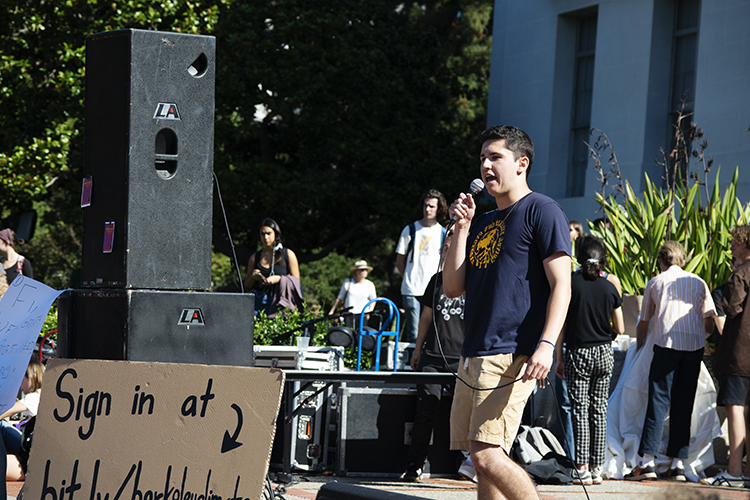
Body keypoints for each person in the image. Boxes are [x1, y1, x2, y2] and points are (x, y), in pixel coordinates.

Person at [444, 125, 571, 500]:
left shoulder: (541, 210)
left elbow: (562, 284)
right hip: (474, 352)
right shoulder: (481, 222)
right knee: (480, 460)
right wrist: (461, 229)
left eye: (495, 157)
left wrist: (547, 345)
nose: (485, 165)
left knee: (486, 456)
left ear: (521, 164)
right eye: (482, 158)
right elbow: (452, 287)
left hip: (511, 352)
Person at [624, 241, 716, 482]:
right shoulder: (699, 282)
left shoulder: (656, 282)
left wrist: (640, 345)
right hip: (694, 349)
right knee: (683, 404)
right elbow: (710, 321)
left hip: (665, 347)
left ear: (661, 261)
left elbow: (644, 320)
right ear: (683, 260)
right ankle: (678, 462)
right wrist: (698, 336)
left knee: (658, 402)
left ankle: (648, 461)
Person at [555, 236, 624, 485]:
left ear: (579, 257)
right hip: (604, 352)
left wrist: (558, 357)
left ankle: (582, 467)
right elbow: (621, 326)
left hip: (578, 352)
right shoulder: (610, 287)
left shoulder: (571, 283)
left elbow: (560, 321)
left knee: (579, 410)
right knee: (599, 410)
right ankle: (597, 467)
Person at [403, 230, 471, 482]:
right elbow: (426, 317)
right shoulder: (436, 280)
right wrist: (418, 349)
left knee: (463, 411)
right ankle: (414, 464)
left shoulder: (473, 280)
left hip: (462, 359)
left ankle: (464, 463)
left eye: (453, 250)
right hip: (433, 356)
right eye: (446, 250)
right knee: (426, 408)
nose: (447, 254)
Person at [701, 225, 750, 487]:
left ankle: (732, 472)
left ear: (745, 243)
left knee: (736, 410)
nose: (731, 246)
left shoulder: (740, 273)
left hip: (740, 353)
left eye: (735, 242)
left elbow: (731, 307)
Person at [395, 189, 448, 343]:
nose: (427, 209)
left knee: (431, 332)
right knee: (413, 332)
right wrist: (408, 279)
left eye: (431, 206)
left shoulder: (443, 233)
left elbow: (444, 263)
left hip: (432, 290)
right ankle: (411, 365)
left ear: (439, 208)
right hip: (411, 289)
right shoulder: (410, 230)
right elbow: (399, 261)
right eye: (425, 205)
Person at [244, 218, 302, 317]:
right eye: (262, 234)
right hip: (257, 302)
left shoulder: (288, 254)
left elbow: (296, 283)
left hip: (279, 302)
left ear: (276, 233)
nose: (266, 237)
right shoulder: (255, 257)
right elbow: (246, 286)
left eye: (268, 233)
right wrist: (253, 277)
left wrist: (279, 279)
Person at [1, 358, 44, 481]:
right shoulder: (42, 395)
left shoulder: (34, 397)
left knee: (2, 426)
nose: (19, 385)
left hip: (28, 454)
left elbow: (5, 411)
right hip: (31, 449)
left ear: (33, 377)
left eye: (21, 379)